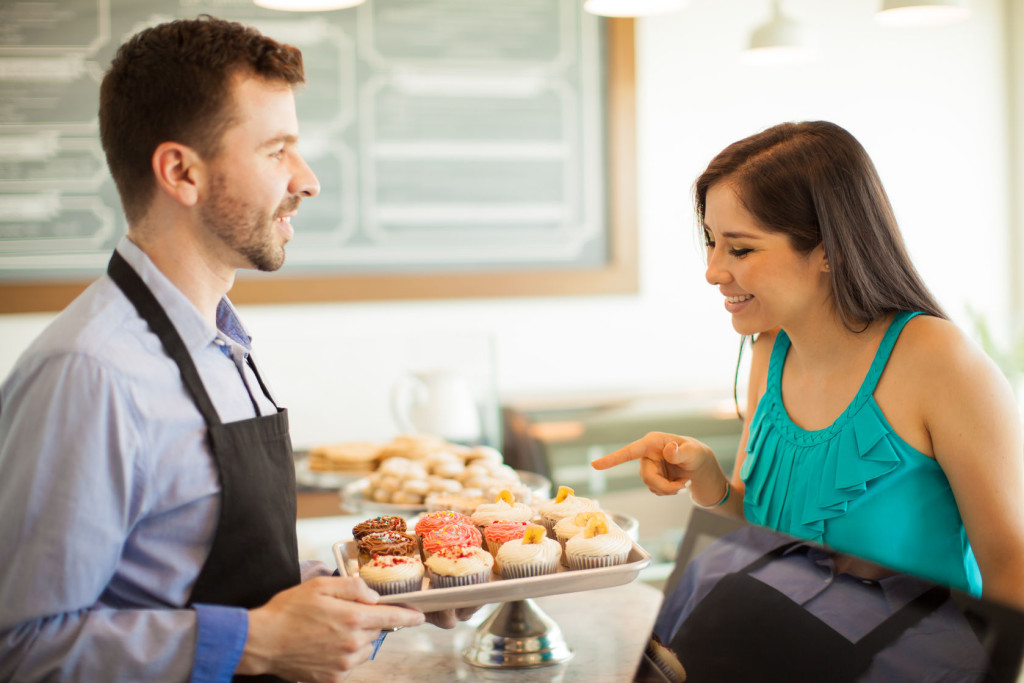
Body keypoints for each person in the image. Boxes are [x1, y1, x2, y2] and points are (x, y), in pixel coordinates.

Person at [0, 16, 464, 683]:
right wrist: (256, 642)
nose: (307, 180)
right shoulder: (87, 372)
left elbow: (216, 576)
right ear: (181, 172)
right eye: (278, 151)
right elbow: (21, 648)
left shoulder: (223, 343)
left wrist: (388, 590)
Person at [592, 121, 1024, 610]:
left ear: (830, 250)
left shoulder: (941, 363)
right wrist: (710, 481)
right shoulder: (768, 351)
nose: (712, 270)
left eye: (741, 248)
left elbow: (1012, 572)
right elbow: (767, 540)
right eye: (711, 241)